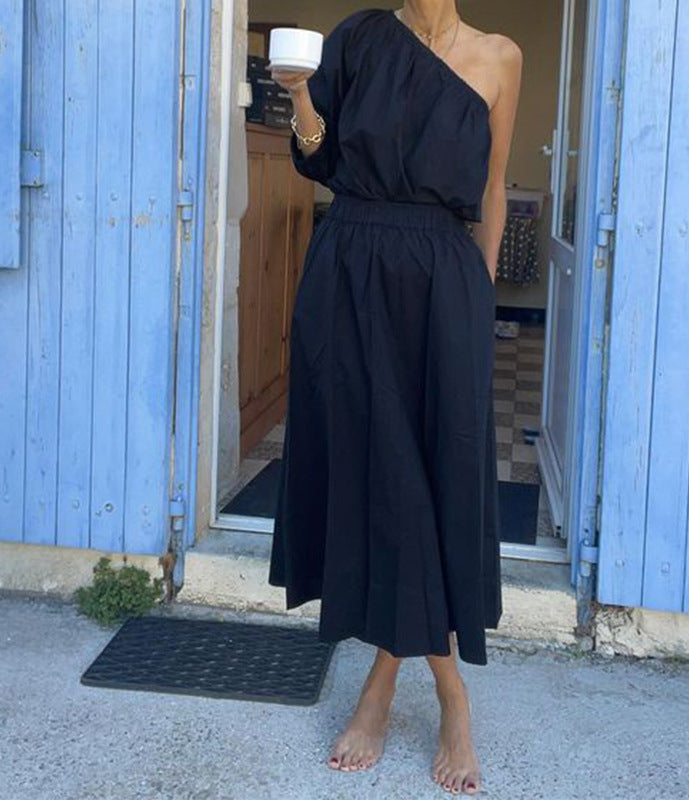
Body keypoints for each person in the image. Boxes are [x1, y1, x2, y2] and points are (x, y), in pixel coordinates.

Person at [268, 2, 522, 794]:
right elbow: (316, 155)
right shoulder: (360, 38)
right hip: (351, 273)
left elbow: (493, 189)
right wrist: (299, 93)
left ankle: (391, 688)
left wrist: (477, 300)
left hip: (443, 285)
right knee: (380, 478)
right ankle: (442, 691)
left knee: (427, 483)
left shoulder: (500, 56)